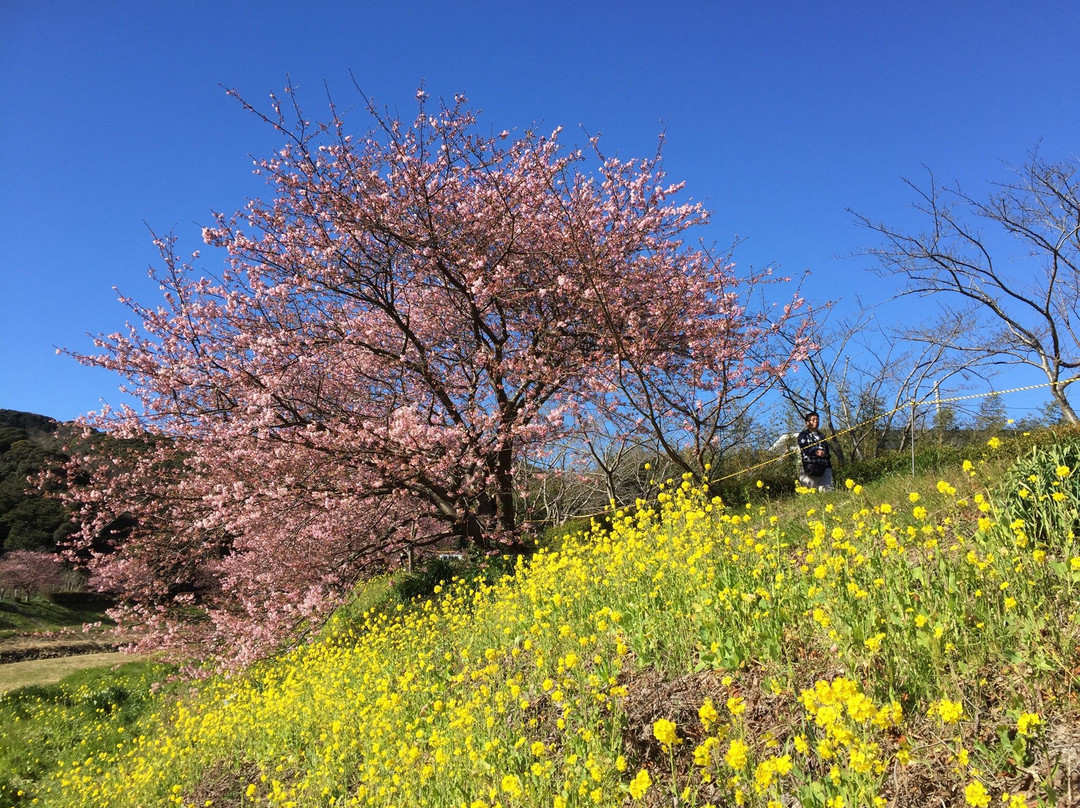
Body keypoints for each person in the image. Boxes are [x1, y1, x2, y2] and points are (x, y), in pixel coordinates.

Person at [797, 411, 834, 491]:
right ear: (807, 423)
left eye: (817, 419)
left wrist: (825, 455)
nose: (816, 421)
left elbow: (827, 452)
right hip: (810, 468)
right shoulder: (803, 435)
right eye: (813, 419)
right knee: (809, 493)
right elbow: (804, 448)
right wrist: (816, 451)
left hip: (824, 468)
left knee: (827, 492)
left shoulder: (822, 436)